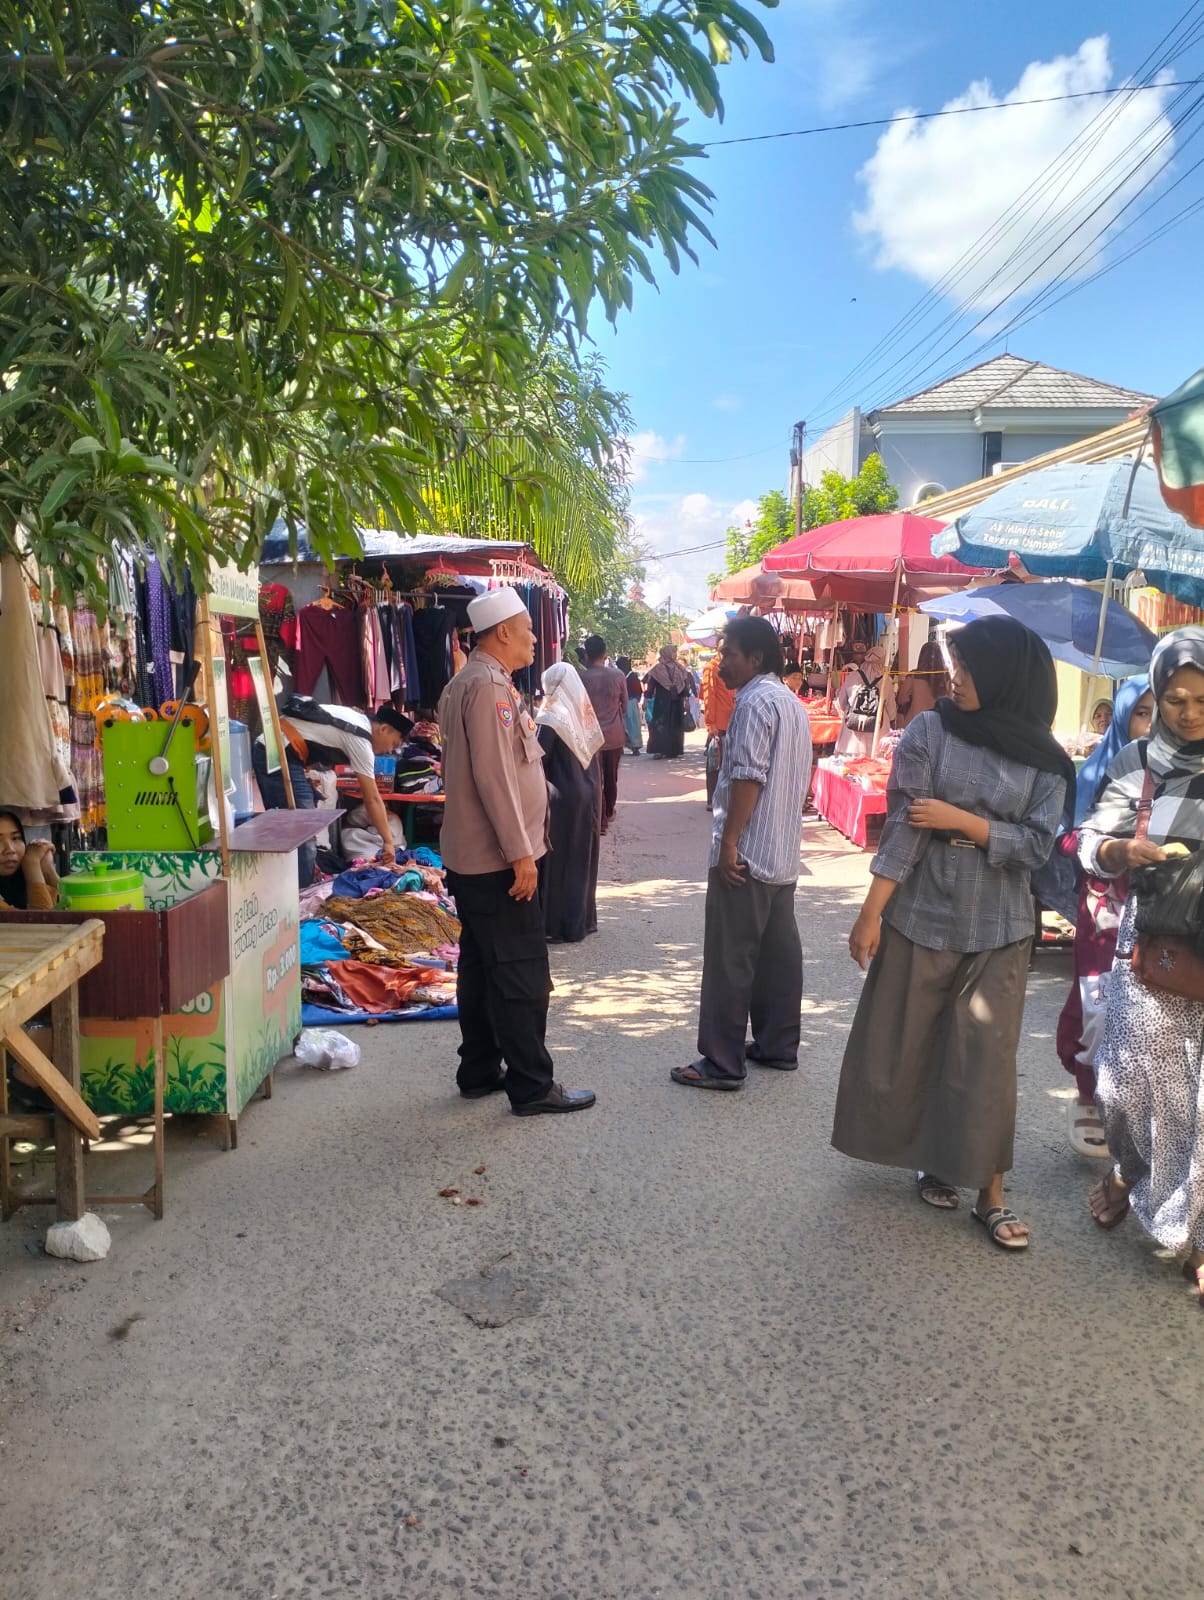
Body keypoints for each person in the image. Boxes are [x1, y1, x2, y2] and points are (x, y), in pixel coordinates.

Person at [831, 617, 1072, 1251]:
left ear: (1007, 676)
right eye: (953, 665)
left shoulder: (1045, 759)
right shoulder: (930, 730)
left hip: (1002, 925)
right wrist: (870, 912)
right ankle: (934, 1160)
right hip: (922, 914)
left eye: (966, 668)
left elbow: (1039, 846)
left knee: (985, 1058)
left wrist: (964, 820)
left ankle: (990, 1194)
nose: (954, 678)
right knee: (912, 1043)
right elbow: (908, 830)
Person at [1078, 628, 1204, 1299]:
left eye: (1203, 700)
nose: (1189, 713)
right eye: (1176, 699)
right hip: (1153, 939)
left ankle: (1196, 1236)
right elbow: (1089, 839)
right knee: (1128, 1087)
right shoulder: (1138, 761)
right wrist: (1117, 853)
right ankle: (1128, 1171)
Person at [439, 587, 595, 1117]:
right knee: (522, 971)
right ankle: (531, 1085)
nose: (535, 638)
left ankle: (480, 1068)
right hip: (498, 860)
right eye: (528, 628)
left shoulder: (471, 682)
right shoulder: (487, 688)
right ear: (502, 631)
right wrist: (521, 852)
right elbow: (496, 778)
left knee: (482, 966)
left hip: (475, 859)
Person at [670, 617, 813, 1091]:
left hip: (748, 855)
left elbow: (749, 777)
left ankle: (722, 1061)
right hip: (782, 852)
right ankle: (777, 1044)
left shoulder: (753, 702)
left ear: (755, 658)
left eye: (728, 652)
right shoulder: (790, 703)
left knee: (731, 957)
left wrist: (729, 843)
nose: (721, 661)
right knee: (777, 955)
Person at [1054, 676, 1154, 1158]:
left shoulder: (1184, 773)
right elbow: (1067, 838)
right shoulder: (1099, 772)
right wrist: (1112, 852)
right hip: (1103, 909)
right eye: (1143, 712)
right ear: (1122, 715)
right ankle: (1088, 1095)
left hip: (1161, 915)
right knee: (1098, 1003)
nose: (1153, 724)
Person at [256, 699, 407, 887]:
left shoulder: (358, 720)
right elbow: (373, 798)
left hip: (278, 749)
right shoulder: (360, 738)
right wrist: (388, 842)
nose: (389, 750)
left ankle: (286, 886)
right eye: (393, 743)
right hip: (277, 753)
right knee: (302, 832)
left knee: (292, 829)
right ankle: (301, 893)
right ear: (383, 729)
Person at [536, 664, 604, 943]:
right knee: (582, 856)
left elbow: (538, 755)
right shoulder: (583, 711)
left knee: (559, 860)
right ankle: (581, 921)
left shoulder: (551, 714)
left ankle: (557, 924)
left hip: (562, 795)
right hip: (588, 792)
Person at [579, 635, 629, 835]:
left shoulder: (581, 677)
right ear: (605, 654)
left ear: (587, 655)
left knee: (593, 779)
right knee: (611, 777)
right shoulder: (618, 676)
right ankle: (608, 812)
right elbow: (624, 707)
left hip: (590, 736)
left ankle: (599, 821)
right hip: (614, 735)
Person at [834, 644, 896, 759]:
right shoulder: (886, 681)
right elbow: (891, 710)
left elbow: (840, 703)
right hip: (877, 732)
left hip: (852, 733)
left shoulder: (852, 676)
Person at [700, 650, 736, 810]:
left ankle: (726, 798)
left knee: (730, 763)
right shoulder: (711, 667)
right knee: (715, 762)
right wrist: (711, 724)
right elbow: (709, 696)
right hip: (719, 723)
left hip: (734, 721)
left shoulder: (733, 666)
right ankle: (712, 799)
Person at [0, 811, 59, 910]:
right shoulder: (29, 868)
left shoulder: (21, 881)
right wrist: (31, 863)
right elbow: (40, 922)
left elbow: (74, 908)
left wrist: (48, 869)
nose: (10, 849)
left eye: (15, 838)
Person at [644, 645, 691, 759]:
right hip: (677, 702)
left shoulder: (657, 669)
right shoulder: (680, 668)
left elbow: (650, 687)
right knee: (675, 725)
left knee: (661, 725)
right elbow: (685, 686)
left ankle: (659, 750)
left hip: (661, 702)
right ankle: (673, 750)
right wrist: (686, 700)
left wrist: (646, 699)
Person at [895, 641, 950, 727]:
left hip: (915, 723)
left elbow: (901, 699)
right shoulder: (946, 677)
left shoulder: (913, 676)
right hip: (938, 723)